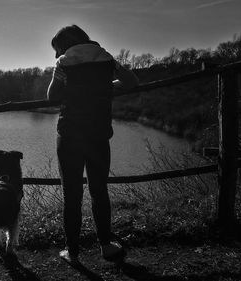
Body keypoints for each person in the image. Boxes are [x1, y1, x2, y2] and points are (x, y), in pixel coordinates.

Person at [47, 25, 139, 264]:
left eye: (57, 49)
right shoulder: (105, 57)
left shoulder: (64, 62)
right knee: (99, 191)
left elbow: (52, 96)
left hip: (69, 135)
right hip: (98, 134)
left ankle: (73, 252)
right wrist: (109, 85)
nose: (56, 55)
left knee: (72, 194)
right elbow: (131, 82)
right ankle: (106, 245)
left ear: (64, 44)